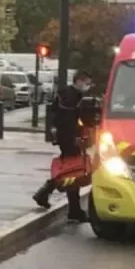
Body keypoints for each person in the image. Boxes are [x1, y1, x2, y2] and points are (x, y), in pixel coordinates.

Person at [32, 70, 94, 222]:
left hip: (67, 137)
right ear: (78, 80)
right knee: (72, 172)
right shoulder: (70, 96)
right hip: (69, 138)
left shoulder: (68, 94)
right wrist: (76, 137)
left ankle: (46, 194)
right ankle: (73, 210)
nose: (88, 86)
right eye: (86, 82)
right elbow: (69, 119)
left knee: (71, 171)